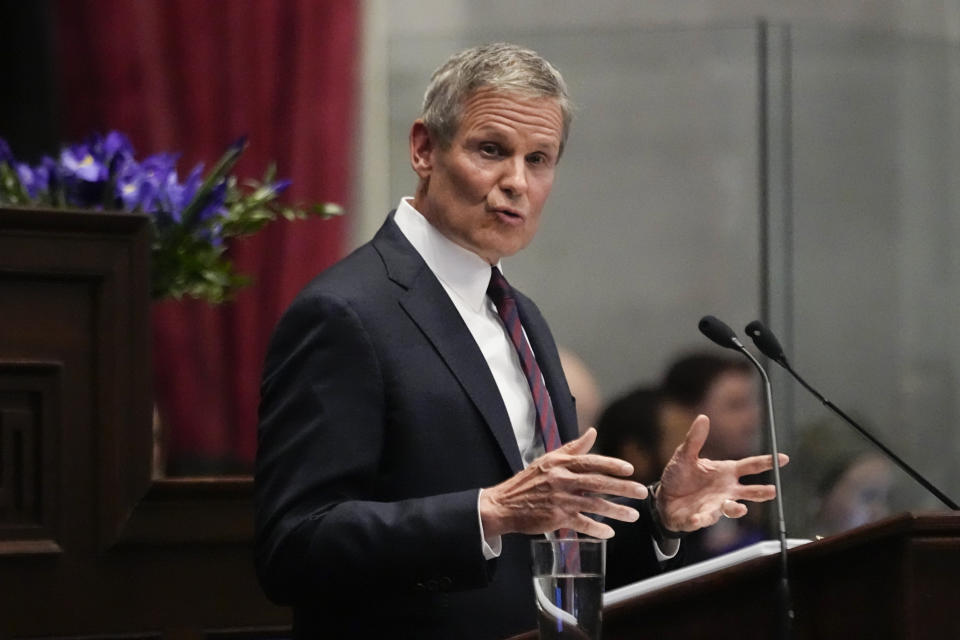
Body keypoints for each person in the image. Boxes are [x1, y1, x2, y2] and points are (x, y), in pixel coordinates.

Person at [254, 43, 787, 639]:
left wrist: (659, 516)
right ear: (424, 149)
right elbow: (293, 546)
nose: (516, 182)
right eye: (491, 150)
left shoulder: (519, 313)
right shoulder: (344, 312)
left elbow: (551, 540)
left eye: (539, 159)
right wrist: (486, 513)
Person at [659, 351, 768, 562]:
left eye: (751, 404)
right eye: (736, 405)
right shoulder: (662, 487)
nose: (753, 418)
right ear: (688, 413)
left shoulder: (762, 479)